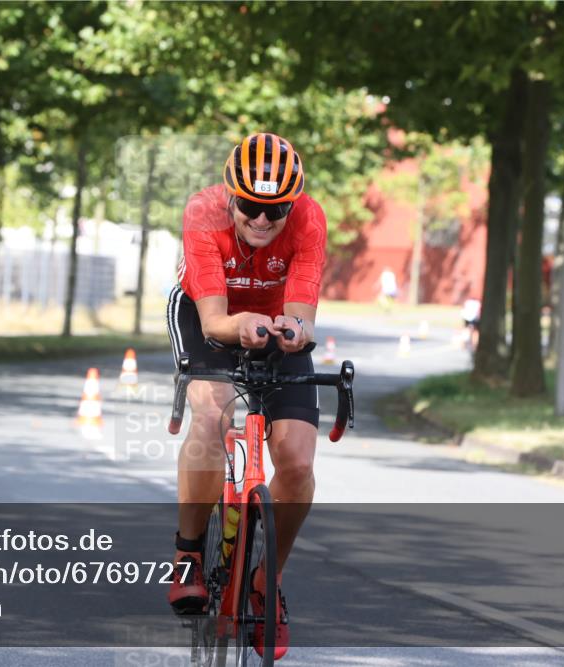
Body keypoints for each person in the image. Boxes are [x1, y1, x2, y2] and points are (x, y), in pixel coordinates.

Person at [165, 133, 325, 660]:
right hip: (210, 313)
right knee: (211, 417)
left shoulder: (309, 220)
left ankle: (264, 581)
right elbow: (213, 321)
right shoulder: (203, 212)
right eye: (251, 206)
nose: (261, 219)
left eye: (275, 209)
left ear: (292, 204)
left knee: (298, 462)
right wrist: (244, 323)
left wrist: (294, 331)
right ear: (231, 197)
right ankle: (189, 552)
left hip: (275, 320)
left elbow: (302, 313)